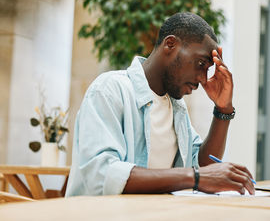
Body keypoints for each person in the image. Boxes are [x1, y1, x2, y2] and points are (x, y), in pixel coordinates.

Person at [66, 12, 255, 196]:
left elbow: (204, 168)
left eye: (207, 69)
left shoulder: (176, 107)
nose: (202, 79)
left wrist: (223, 109)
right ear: (170, 44)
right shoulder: (110, 90)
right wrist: (195, 176)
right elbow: (102, 174)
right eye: (200, 64)